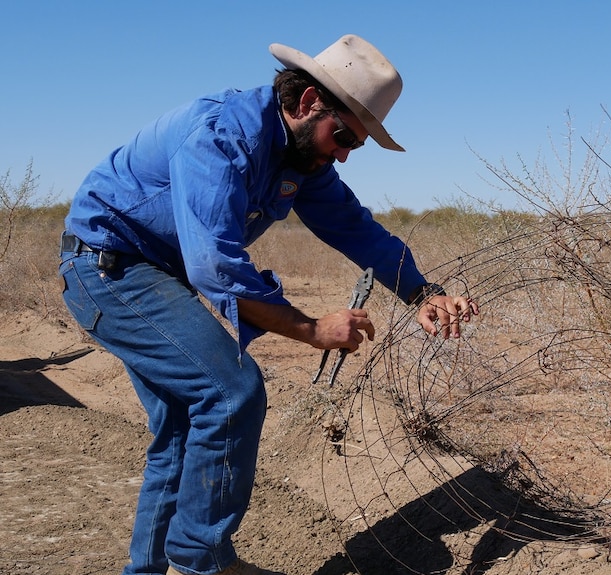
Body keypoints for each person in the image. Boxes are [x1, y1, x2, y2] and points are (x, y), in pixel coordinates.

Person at [59, 35, 478, 575]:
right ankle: (201, 560)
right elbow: (214, 266)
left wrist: (422, 292)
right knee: (231, 391)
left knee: (186, 424)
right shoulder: (220, 136)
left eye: (357, 145)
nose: (345, 153)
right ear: (307, 104)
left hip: (152, 274)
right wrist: (311, 329)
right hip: (107, 267)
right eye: (344, 135)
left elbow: (353, 227)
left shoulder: (302, 158)